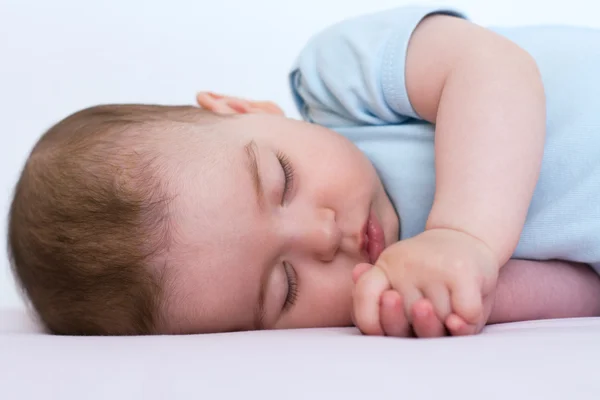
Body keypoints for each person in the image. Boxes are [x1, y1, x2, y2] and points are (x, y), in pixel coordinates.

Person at [8, 5, 600, 337]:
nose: (322, 236)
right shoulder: (395, 287)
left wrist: (463, 236)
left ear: (243, 109)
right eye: (284, 288)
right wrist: (462, 296)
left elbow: (492, 66)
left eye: (282, 180)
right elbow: (586, 294)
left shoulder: (339, 82)